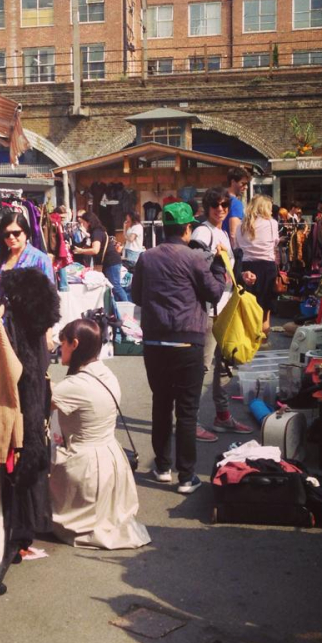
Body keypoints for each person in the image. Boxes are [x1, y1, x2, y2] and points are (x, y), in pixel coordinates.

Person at [131, 202, 226, 495]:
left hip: (155, 341)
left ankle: (162, 467)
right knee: (187, 411)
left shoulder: (146, 258)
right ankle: (187, 477)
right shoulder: (195, 258)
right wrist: (220, 269)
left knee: (161, 403)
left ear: (163, 229)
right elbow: (214, 292)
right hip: (188, 341)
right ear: (187, 229)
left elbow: (136, 296)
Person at [49, 319, 150, 549]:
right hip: (111, 461)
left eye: (62, 343)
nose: (58, 348)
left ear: (74, 344)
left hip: (86, 467)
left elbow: (37, 402)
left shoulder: (74, 385)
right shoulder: (106, 374)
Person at [191, 188, 256, 440]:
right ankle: (191, 421)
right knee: (203, 367)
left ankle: (223, 416)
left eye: (225, 206)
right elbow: (196, 268)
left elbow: (225, 270)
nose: (221, 209)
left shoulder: (222, 233)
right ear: (207, 207)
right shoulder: (202, 231)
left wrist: (242, 276)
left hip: (225, 307)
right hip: (209, 311)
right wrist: (213, 255)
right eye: (216, 205)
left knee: (224, 366)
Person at [235, 194, 279, 336]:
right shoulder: (272, 223)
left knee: (248, 306)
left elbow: (237, 246)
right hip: (266, 267)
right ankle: (263, 340)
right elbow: (275, 242)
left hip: (246, 267)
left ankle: (248, 339)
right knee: (265, 310)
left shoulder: (240, 226)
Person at [73, 211, 127, 302]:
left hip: (111, 261)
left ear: (89, 222)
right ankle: (118, 307)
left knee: (115, 286)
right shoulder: (97, 231)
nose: (82, 225)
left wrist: (81, 251)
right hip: (109, 262)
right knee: (111, 287)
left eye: (83, 223)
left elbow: (95, 250)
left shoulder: (96, 232)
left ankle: (127, 306)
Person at [0, 211, 54, 280]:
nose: (11, 237)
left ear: (26, 233)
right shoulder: (1, 257)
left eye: (16, 233)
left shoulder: (40, 259)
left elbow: (49, 289)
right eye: (7, 234)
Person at [221, 166, 251, 246]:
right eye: (243, 183)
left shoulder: (221, 198)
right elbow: (234, 233)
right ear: (233, 182)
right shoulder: (235, 203)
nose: (246, 187)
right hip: (230, 249)